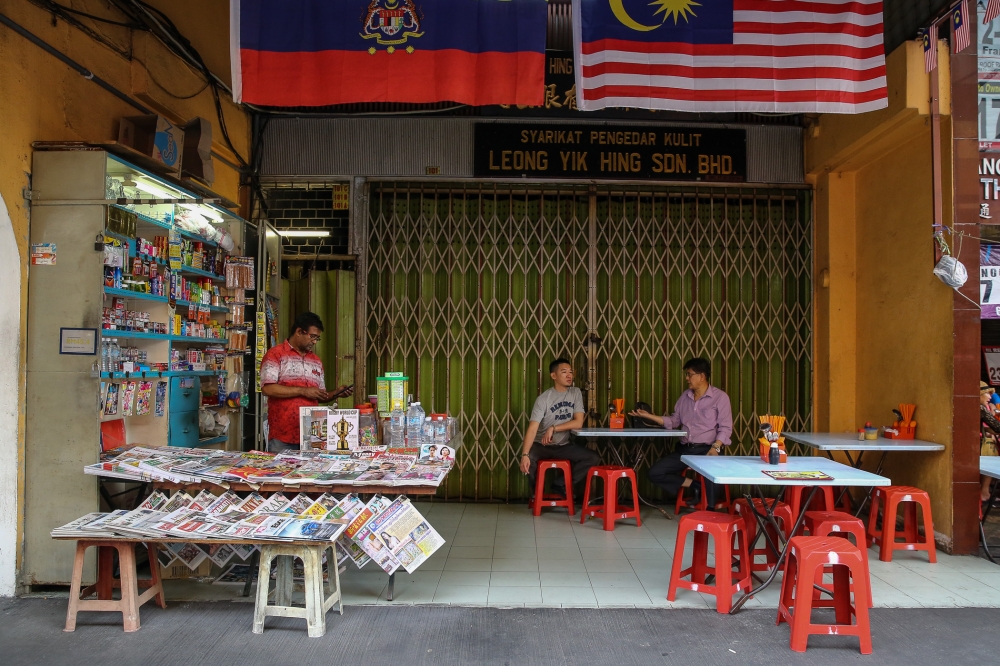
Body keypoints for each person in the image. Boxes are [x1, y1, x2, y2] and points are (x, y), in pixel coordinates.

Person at [630, 357, 732, 507]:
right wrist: (649, 416)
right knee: (655, 473)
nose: (687, 378)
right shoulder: (685, 397)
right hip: (685, 450)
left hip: (708, 449)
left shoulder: (720, 398)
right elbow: (674, 421)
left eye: (690, 374)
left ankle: (710, 511)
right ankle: (695, 486)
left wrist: (715, 447)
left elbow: (726, 427)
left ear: (702, 376)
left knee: (712, 473)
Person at [260, 311, 353, 452]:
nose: (315, 342)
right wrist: (303, 390)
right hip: (283, 436)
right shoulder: (275, 354)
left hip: (313, 436)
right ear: (299, 332)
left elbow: (319, 395)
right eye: (313, 336)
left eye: (317, 338)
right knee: (280, 473)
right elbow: (268, 389)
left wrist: (336, 393)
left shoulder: (316, 361)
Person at [519, 358, 601, 498]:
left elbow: (578, 422)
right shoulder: (543, 399)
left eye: (570, 372)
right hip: (541, 446)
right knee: (529, 460)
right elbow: (533, 428)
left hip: (564, 446)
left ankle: (561, 483)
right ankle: (536, 490)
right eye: (564, 372)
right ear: (553, 376)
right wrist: (524, 455)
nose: (569, 375)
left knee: (593, 458)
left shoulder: (575, 393)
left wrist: (554, 428)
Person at [981, 382, 1000, 506]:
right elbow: (997, 427)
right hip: (980, 444)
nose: (989, 397)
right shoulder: (980, 408)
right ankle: (984, 491)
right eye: (987, 393)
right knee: (991, 459)